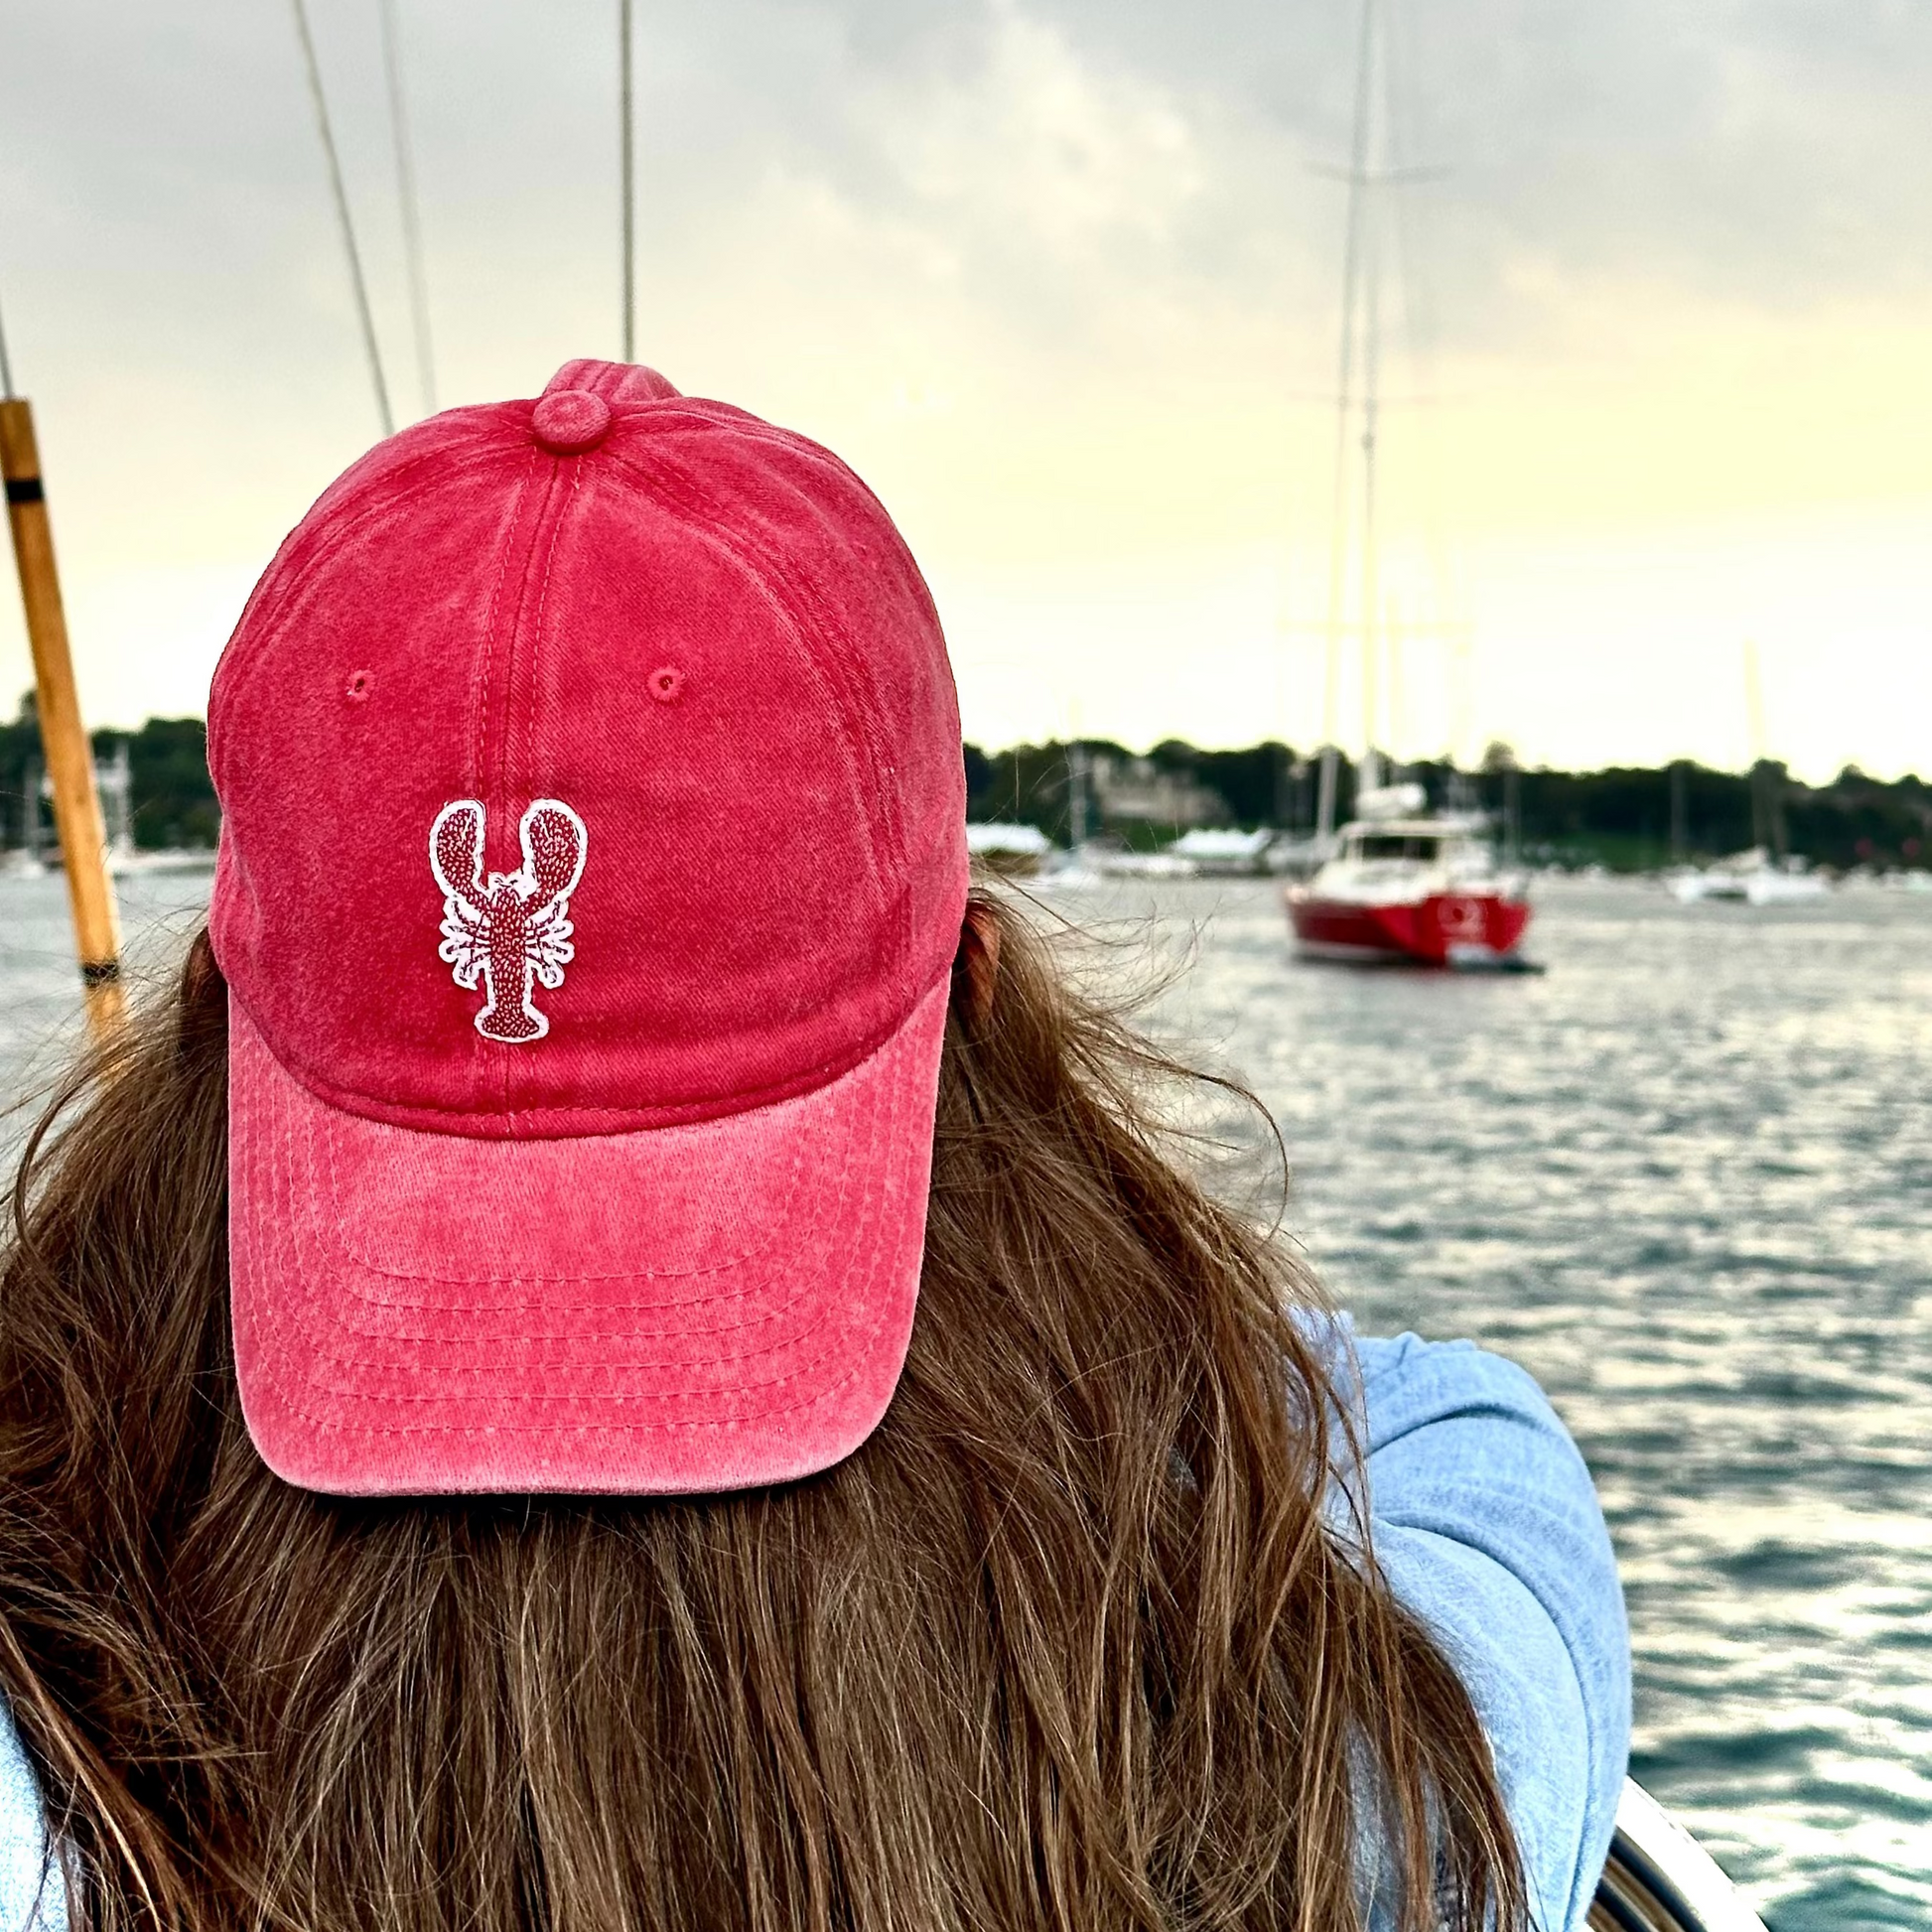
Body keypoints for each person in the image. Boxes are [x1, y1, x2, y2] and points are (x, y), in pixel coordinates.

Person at [0, 361, 1627, 1932]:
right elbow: (1435, 1420)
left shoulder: (49, 1822)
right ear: (979, 1006)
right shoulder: (1380, 1781)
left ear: (211, 1018)